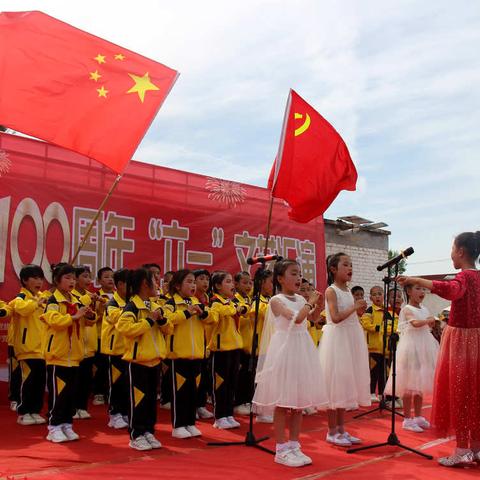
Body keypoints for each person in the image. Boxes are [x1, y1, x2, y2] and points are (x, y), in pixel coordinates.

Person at [396, 231, 480, 467]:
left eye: (452, 249)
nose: (451, 253)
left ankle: (463, 449)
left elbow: (452, 290)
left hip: (463, 342)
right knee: (475, 395)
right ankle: (476, 447)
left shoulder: (464, 277)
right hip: (477, 342)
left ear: (461, 252)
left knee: (461, 394)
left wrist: (417, 279)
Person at [253, 259, 327, 467]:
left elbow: (309, 318)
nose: (298, 278)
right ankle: (281, 448)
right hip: (285, 350)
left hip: (302, 349)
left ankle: (294, 445)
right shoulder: (276, 300)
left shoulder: (300, 298)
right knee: (283, 402)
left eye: (299, 273)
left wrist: (317, 306)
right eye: (293, 273)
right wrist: (310, 302)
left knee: (298, 403)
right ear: (280, 278)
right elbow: (295, 318)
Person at [117, 267, 172, 451]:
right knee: (138, 400)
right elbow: (125, 329)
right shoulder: (132, 306)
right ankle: (136, 434)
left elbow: (168, 329)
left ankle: (149, 431)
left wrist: (162, 321)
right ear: (144, 284)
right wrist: (149, 321)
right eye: (154, 280)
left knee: (150, 401)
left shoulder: (155, 305)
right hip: (137, 362)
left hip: (154, 361)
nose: (158, 284)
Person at [319, 253, 370, 447]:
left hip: (350, 338)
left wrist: (358, 310)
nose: (350, 268)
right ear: (333, 269)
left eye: (351, 264)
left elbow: (349, 315)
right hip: (337, 340)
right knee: (335, 385)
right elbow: (335, 317)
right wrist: (353, 308)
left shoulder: (348, 290)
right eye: (345, 264)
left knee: (344, 385)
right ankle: (332, 431)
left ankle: (342, 430)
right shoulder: (331, 291)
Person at [41, 263, 91, 443]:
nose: (72, 281)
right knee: (58, 394)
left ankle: (67, 425)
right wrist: (74, 316)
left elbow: (88, 323)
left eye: (73, 278)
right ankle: (54, 427)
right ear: (57, 280)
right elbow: (54, 321)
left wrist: (88, 315)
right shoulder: (52, 301)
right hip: (58, 355)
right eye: (67, 278)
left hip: (74, 355)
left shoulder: (75, 300)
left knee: (70, 394)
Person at [163, 269, 212, 438]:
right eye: (189, 282)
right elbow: (167, 319)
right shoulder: (171, 303)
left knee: (193, 392)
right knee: (180, 393)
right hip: (179, 356)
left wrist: (203, 313)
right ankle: (178, 425)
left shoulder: (197, 302)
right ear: (177, 286)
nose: (193, 285)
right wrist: (186, 312)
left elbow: (212, 319)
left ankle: (190, 423)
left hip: (196, 355)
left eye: (193, 282)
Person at [384, 284, 439, 433]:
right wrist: (429, 321)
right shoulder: (407, 309)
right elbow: (414, 324)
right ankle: (407, 418)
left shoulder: (425, 309)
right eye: (418, 289)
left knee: (419, 384)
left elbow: (428, 327)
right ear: (408, 291)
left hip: (423, 348)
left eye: (423, 289)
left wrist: (431, 323)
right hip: (409, 349)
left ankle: (419, 416)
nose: (422, 292)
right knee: (408, 384)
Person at [10, 265, 48, 425]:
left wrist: (43, 302)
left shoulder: (41, 298)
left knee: (40, 382)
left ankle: (35, 411)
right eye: (34, 278)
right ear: (25, 281)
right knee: (28, 382)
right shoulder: (20, 298)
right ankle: (23, 412)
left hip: (42, 349)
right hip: (26, 349)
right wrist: (36, 303)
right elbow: (22, 310)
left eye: (40, 278)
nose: (39, 281)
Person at [208, 271, 245, 429]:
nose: (232, 285)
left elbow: (242, 308)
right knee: (220, 384)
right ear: (217, 286)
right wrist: (236, 309)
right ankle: (219, 416)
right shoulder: (216, 302)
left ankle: (228, 413)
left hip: (234, 348)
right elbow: (222, 312)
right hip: (221, 350)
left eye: (232, 281)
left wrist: (238, 307)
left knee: (231, 383)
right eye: (228, 282)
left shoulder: (231, 302)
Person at [101, 268, 130, 430]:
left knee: (127, 384)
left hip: (129, 350)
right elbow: (118, 318)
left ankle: (124, 411)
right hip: (115, 350)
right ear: (120, 284)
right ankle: (114, 414)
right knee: (115, 384)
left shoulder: (131, 302)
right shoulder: (112, 303)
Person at [72, 266, 98, 420]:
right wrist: (90, 300)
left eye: (89, 277)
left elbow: (95, 319)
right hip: (77, 344)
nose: (88, 280)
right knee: (75, 379)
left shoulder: (91, 296)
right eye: (85, 276)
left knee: (86, 379)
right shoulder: (72, 297)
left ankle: (82, 406)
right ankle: (73, 407)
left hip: (90, 344)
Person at [250, 269, 274, 423]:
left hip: (273, 345)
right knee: (262, 378)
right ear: (261, 283)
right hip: (262, 346)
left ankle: (268, 407)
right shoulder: (258, 301)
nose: (274, 285)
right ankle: (260, 410)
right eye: (271, 282)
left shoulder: (270, 300)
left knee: (271, 378)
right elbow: (260, 313)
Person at [360, 285, 390, 403]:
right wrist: (379, 328)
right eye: (374, 294)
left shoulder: (388, 311)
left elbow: (392, 325)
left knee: (383, 373)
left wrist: (386, 329)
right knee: (373, 371)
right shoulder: (370, 310)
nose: (377, 296)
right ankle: (371, 392)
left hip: (385, 348)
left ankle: (383, 394)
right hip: (373, 348)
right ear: (370, 297)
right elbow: (366, 324)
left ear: (384, 296)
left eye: (380, 294)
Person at [193, 269, 214, 420]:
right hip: (194, 342)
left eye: (207, 279)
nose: (205, 282)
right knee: (193, 377)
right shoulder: (191, 300)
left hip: (207, 341)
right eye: (201, 278)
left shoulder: (208, 298)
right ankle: (191, 406)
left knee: (204, 376)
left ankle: (200, 405)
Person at [93, 267, 115, 405]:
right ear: (99, 281)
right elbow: (93, 317)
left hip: (115, 337)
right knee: (100, 366)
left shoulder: (118, 296)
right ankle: (98, 393)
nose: (110, 279)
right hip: (101, 335)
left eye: (112, 276)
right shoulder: (95, 296)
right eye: (106, 277)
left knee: (112, 367)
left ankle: (109, 392)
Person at [233, 271, 253, 416]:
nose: (248, 286)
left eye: (250, 282)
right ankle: (238, 402)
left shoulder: (250, 300)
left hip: (251, 344)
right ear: (236, 284)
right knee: (240, 376)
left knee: (249, 375)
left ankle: (247, 400)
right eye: (244, 282)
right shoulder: (234, 300)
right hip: (240, 344)